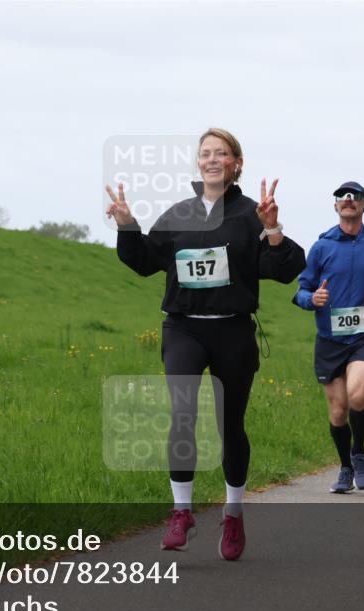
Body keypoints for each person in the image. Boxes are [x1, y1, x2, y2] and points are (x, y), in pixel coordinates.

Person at [108, 128, 306, 560]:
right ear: (198, 163)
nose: (212, 159)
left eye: (222, 153)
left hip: (232, 331)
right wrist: (127, 225)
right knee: (182, 414)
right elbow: (144, 260)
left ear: (237, 163)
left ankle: (233, 514)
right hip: (184, 328)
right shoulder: (178, 213)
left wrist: (272, 229)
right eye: (205, 153)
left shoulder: (253, 214)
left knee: (229, 425)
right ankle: (181, 511)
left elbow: (283, 268)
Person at [293, 181, 364, 493]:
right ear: (335, 206)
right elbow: (302, 288)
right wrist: (310, 299)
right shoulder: (321, 247)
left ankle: (359, 453)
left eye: (354, 197)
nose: (348, 201)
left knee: (357, 396)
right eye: (342, 197)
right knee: (338, 410)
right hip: (329, 339)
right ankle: (345, 467)